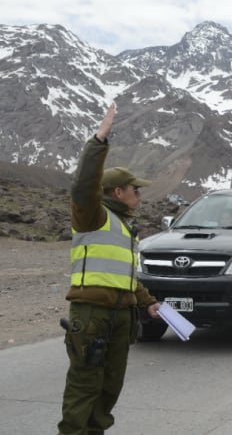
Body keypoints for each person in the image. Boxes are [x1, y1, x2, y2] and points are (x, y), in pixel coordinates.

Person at [58, 102, 161, 435]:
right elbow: (83, 185)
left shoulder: (123, 226)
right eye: (135, 190)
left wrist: (147, 302)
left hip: (120, 316)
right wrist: (99, 141)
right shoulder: (93, 215)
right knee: (85, 384)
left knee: (108, 387)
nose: (139, 195)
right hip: (92, 314)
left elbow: (127, 275)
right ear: (118, 191)